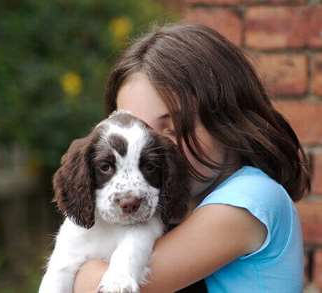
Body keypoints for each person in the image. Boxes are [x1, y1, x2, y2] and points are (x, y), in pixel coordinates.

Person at [73, 23, 311, 292]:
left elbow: (107, 286)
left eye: (173, 128)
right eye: (138, 136)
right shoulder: (186, 208)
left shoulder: (249, 199)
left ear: (227, 118)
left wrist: (77, 268)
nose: (157, 152)